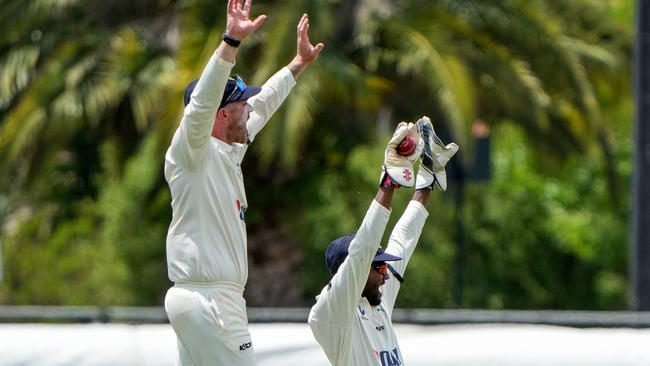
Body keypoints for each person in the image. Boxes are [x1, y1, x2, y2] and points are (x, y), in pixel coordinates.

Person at [163, 0, 324, 364]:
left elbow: (264, 103)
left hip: (211, 301)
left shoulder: (229, 150)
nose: (248, 111)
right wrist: (230, 42)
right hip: (210, 302)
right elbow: (202, 103)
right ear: (220, 115)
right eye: (240, 107)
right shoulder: (191, 153)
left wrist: (297, 65)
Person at [308, 117, 459, 366]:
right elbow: (362, 250)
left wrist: (426, 182)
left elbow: (402, 241)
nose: (385, 274)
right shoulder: (330, 314)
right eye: (378, 266)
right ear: (352, 273)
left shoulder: (376, 300)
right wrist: (388, 182)